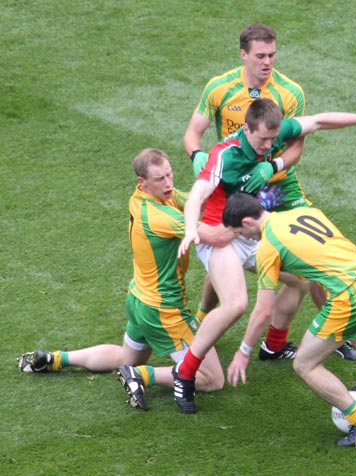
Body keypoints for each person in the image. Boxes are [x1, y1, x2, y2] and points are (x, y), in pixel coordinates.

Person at [174, 98, 356, 414]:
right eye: (263, 141)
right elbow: (197, 194)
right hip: (221, 233)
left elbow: (320, 121)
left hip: (251, 228)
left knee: (299, 280)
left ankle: (274, 345)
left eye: (273, 140)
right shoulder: (224, 155)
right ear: (246, 128)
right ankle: (184, 373)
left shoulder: (273, 133)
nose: (269, 146)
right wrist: (190, 229)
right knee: (237, 304)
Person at [183, 22, 356, 361]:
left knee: (310, 252)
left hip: (277, 190)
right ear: (244, 55)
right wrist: (198, 156)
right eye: (260, 56)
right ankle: (204, 317)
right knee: (224, 247)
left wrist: (272, 167)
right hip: (237, 189)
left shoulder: (289, 92)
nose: (268, 62)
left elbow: (295, 148)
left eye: (272, 55)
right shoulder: (220, 88)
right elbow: (192, 133)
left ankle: (331, 335)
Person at [17, 148, 225, 413]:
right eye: (160, 179)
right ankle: (141, 377)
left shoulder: (142, 199)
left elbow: (198, 201)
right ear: (143, 182)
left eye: (170, 174)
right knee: (213, 379)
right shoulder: (163, 217)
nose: (169, 183)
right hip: (165, 311)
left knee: (124, 357)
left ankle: (55, 359)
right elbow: (215, 236)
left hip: (139, 300)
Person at [223, 192, 356, 447]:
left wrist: (244, 351)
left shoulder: (268, 247)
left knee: (305, 364)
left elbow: (262, 310)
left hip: (351, 295)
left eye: (239, 232)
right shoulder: (303, 212)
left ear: (248, 222)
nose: (244, 238)